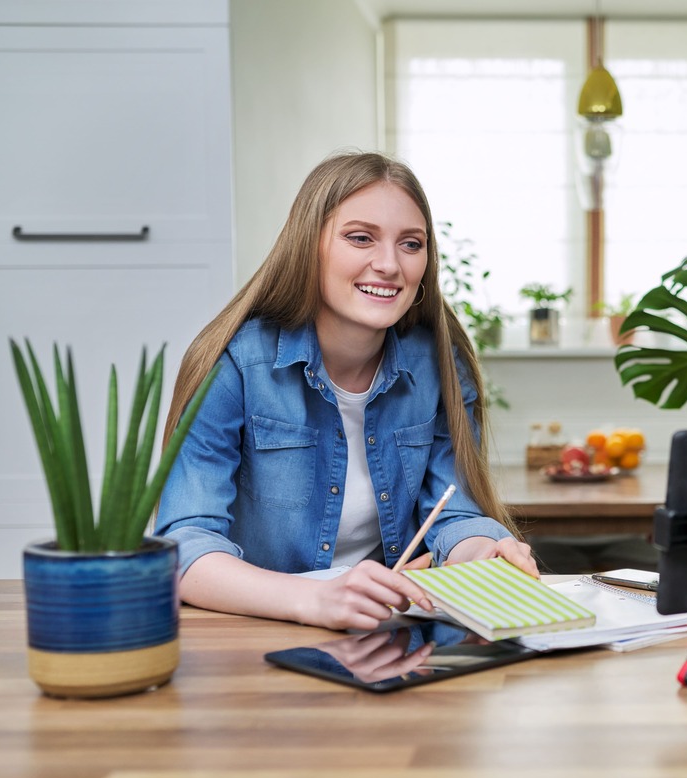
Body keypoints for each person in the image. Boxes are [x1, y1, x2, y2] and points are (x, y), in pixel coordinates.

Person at [155, 151, 537, 631]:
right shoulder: (234, 365)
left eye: (411, 244)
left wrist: (486, 551)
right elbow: (186, 547)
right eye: (360, 238)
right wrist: (314, 599)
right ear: (307, 246)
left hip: (387, 634)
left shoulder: (439, 363)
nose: (389, 265)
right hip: (259, 634)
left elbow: (454, 515)